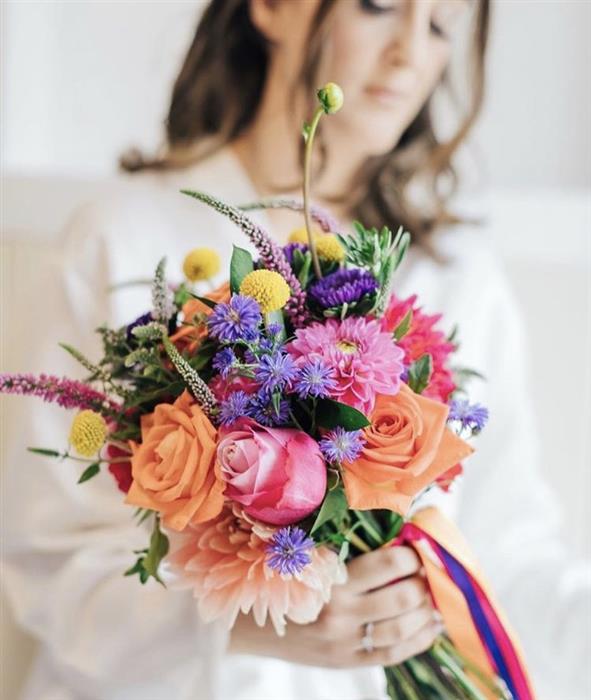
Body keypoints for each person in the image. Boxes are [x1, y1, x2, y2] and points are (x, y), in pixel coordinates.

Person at [2, 1, 589, 698]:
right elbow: (47, 569)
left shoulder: (455, 276)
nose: (411, 53)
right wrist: (241, 624)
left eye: (440, 24)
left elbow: (508, 547)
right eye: (378, 5)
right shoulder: (119, 241)